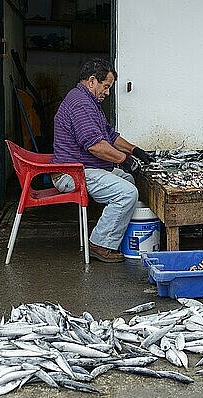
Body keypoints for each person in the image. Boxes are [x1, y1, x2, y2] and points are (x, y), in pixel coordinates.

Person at [52, 58, 154, 263]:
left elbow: (109, 135)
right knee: (127, 193)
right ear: (92, 81)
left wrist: (135, 150)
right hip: (72, 174)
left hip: (85, 169)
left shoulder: (88, 102)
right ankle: (99, 244)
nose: (107, 93)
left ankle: (116, 235)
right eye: (106, 87)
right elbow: (95, 145)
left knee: (128, 180)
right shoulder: (80, 103)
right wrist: (125, 159)